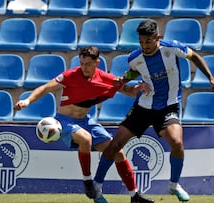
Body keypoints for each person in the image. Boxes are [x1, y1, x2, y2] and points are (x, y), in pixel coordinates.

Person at [15, 46, 154, 203]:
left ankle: (134, 195)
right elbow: (46, 88)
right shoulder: (70, 75)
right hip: (64, 120)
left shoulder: (106, 79)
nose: (84, 67)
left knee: (118, 153)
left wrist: (141, 87)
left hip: (85, 121)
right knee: (85, 138)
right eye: (81, 63)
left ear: (97, 62)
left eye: (88, 64)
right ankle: (88, 182)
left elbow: (129, 91)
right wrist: (27, 101)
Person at [102, 19, 214, 202]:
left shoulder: (171, 48)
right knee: (115, 145)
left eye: (148, 41)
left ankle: (174, 185)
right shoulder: (135, 57)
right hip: (143, 107)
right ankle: (95, 186)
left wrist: (211, 78)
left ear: (158, 37)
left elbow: (195, 56)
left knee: (177, 143)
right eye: (141, 42)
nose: (144, 46)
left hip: (168, 106)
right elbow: (134, 71)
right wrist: (124, 80)